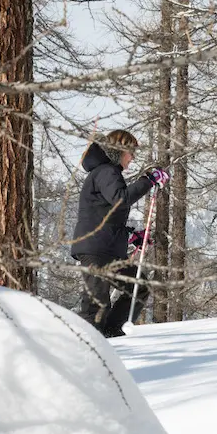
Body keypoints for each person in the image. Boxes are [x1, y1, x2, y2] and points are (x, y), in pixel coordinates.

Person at [70, 130, 169, 337]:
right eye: (130, 152)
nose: (132, 157)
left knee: (137, 287)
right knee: (97, 303)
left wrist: (131, 237)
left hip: (106, 248)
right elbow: (121, 200)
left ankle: (112, 334)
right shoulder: (106, 171)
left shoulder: (106, 173)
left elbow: (106, 214)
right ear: (119, 150)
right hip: (96, 249)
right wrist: (148, 180)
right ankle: (87, 345)